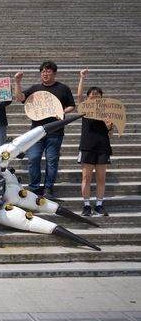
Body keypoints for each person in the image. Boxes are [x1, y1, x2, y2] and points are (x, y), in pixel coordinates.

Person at [14, 60, 75, 199]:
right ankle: (34, 187)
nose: (45, 74)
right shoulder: (35, 89)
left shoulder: (63, 88)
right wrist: (17, 82)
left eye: (48, 71)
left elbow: (71, 105)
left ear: (54, 73)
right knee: (33, 158)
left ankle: (48, 189)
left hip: (56, 132)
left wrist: (62, 112)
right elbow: (20, 98)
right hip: (36, 132)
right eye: (42, 71)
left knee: (52, 161)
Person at [77, 68, 113, 216]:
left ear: (102, 98)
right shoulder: (85, 109)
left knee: (101, 178)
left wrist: (109, 125)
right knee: (86, 177)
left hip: (103, 147)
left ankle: (99, 205)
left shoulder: (107, 112)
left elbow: (110, 133)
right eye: (92, 96)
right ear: (88, 98)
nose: (95, 98)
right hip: (87, 147)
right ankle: (86, 206)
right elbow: (78, 96)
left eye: (98, 96)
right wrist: (82, 78)